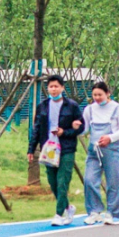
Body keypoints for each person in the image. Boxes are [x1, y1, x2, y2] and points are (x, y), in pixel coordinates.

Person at [29, 72, 84, 226]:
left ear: (62, 88)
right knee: (52, 182)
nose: (53, 89)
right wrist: (31, 149)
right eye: (51, 86)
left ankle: (59, 214)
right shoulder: (43, 106)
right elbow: (36, 129)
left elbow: (81, 127)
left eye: (56, 86)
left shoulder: (71, 106)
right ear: (47, 88)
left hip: (66, 148)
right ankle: (68, 208)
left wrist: (65, 132)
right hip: (49, 148)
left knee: (62, 182)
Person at [82, 79, 119, 224]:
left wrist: (110, 138)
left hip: (111, 150)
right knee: (89, 180)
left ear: (107, 93)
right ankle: (94, 211)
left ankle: (111, 213)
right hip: (94, 151)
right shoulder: (89, 109)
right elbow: (84, 128)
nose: (97, 98)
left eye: (100, 95)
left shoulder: (117, 109)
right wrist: (76, 127)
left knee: (114, 181)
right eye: (94, 95)